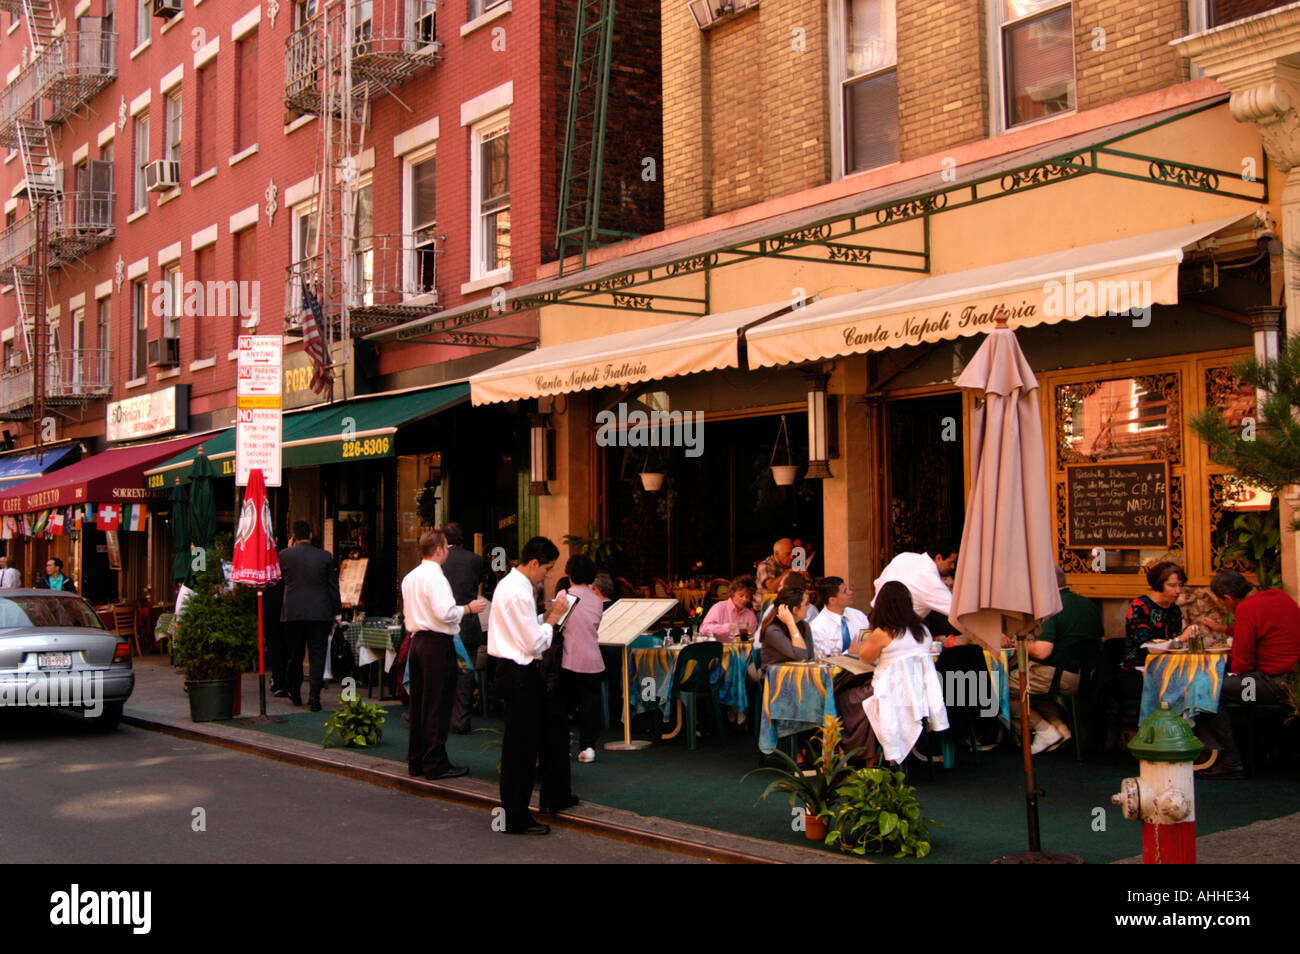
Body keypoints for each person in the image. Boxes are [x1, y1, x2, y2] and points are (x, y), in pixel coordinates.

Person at [488, 536, 569, 835]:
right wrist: (554, 620)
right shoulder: (519, 591)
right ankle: (516, 816)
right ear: (533, 563)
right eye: (547, 569)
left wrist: (543, 619)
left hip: (511, 668)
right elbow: (533, 642)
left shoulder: (510, 585)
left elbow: (524, 629)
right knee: (521, 748)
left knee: (520, 745)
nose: (548, 575)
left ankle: (517, 811)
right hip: (519, 669)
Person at [1192, 569, 1300, 780]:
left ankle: (1230, 760)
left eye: (1223, 603)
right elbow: (1265, 629)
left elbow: (1242, 665)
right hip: (1294, 678)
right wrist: (1226, 629)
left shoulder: (1246, 609)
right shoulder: (1279, 596)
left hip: (1274, 683)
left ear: (1228, 598)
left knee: (1204, 688)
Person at [402, 528, 487, 780]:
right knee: (437, 704)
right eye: (446, 549)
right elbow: (445, 613)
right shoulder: (435, 577)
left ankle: (417, 759)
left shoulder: (411, 576)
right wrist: (469, 609)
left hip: (417, 641)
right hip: (437, 643)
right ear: (439, 549)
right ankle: (435, 762)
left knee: (419, 703)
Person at [1009, 567, 1104, 755]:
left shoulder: (1050, 607)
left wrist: (1017, 641)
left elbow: (1043, 651)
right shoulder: (1088, 604)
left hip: (1060, 676)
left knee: (1002, 687)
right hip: (1086, 674)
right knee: (1031, 685)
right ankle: (1061, 728)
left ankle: (1044, 730)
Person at [860, 580, 949, 764]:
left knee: (848, 700)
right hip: (918, 695)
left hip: (891, 694)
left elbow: (864, 658)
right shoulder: (923, 630)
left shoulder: (883, 633)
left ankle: (868, 756)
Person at [278, 521, 341, 711]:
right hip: (320, 613)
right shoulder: (324, 557)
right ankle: (314, 697)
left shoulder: (284, 556)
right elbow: (333, 586)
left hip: (294, 612)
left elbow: (277, 579)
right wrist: (337, 613)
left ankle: (294, 691)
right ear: (311, 535)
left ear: (294, 537)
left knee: (295, 654)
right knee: (317, 655)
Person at [552, 554, 605, 764]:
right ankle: (588, 746)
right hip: (593, 659)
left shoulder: (563, 595)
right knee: (590, 707)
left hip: (568, 659)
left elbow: (555, 625)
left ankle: (560, 746)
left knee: (561, 706)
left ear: (569, 573)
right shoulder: (597, 600)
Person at [443, 522, 489, 734]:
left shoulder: (439, 561)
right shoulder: (475, 560)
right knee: (465, 674)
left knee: (439, 673)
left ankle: (439, 717)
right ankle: (462, 720)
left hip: (444, 624)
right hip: (468, 624)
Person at [1122, 561, 1185, 671]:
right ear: (1159, 584)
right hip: (1140, 668)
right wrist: (1181, 639)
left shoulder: (1174, 610)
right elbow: (1146, 648)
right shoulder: (1141, 606)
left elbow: (1176, 647)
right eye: (1172, 586)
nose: (1178, 591)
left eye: (1180, 585)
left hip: (1168, 666)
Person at [871, 541, 958, 618]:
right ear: (939, 558)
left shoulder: (903, 557)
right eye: (950, 562)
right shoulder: (930, 579)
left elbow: (877, 583)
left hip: (875, 617)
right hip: (896, 629)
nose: (953, 566)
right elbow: (955, 612)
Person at [809, 576, 871, 659]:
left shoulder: (858, 615)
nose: (850, 592)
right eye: (845, 591)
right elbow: (825, 661)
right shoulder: (817, 627)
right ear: (832, 600)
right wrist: (849, 653)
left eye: (848, 588)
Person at [759, 583, 815, 670]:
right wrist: (791, 624)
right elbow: (802, 656)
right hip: (776, 677)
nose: (809, 607)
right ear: (795, 610)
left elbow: (810, 656)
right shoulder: (772, 630)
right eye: (806, 604)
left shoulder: (804, 625)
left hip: (799, 674)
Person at [698, 575, 759, 642]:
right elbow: (703, 630)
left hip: (741, 651)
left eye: (748, 597)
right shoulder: (719, 608)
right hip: (720, 650)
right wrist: (727, 627)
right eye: (741, 595)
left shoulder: (750, 616)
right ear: (733, 593)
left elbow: (754, 639)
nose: (744, 599)